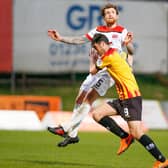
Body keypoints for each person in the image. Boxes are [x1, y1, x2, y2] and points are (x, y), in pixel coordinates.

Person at [47, 3, 134, 154]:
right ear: (103, 16)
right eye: (107, 13)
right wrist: (60, 38)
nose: (110, 15)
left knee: (89, 99)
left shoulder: (122, 31)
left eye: (113, 12)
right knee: (80, 98)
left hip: (110, 72)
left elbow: (131, 51)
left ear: (117, 15)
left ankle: (66, 128)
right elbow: (80, 40)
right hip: (97, 69)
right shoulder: (98, 31)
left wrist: (127, 45)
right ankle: (73, 135)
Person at [90, 33, 168, 168]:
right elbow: (131, 53)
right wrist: (127, 44)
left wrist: (93, 59)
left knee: (137, 133)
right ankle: (124, 137)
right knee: (97, 114)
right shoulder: (116, 53)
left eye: (96, 48)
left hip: (130, 98)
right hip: (123, 98)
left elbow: (92, 71)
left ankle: (162, 160)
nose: (96, 51)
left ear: (102, 44)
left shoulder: (108, 57)